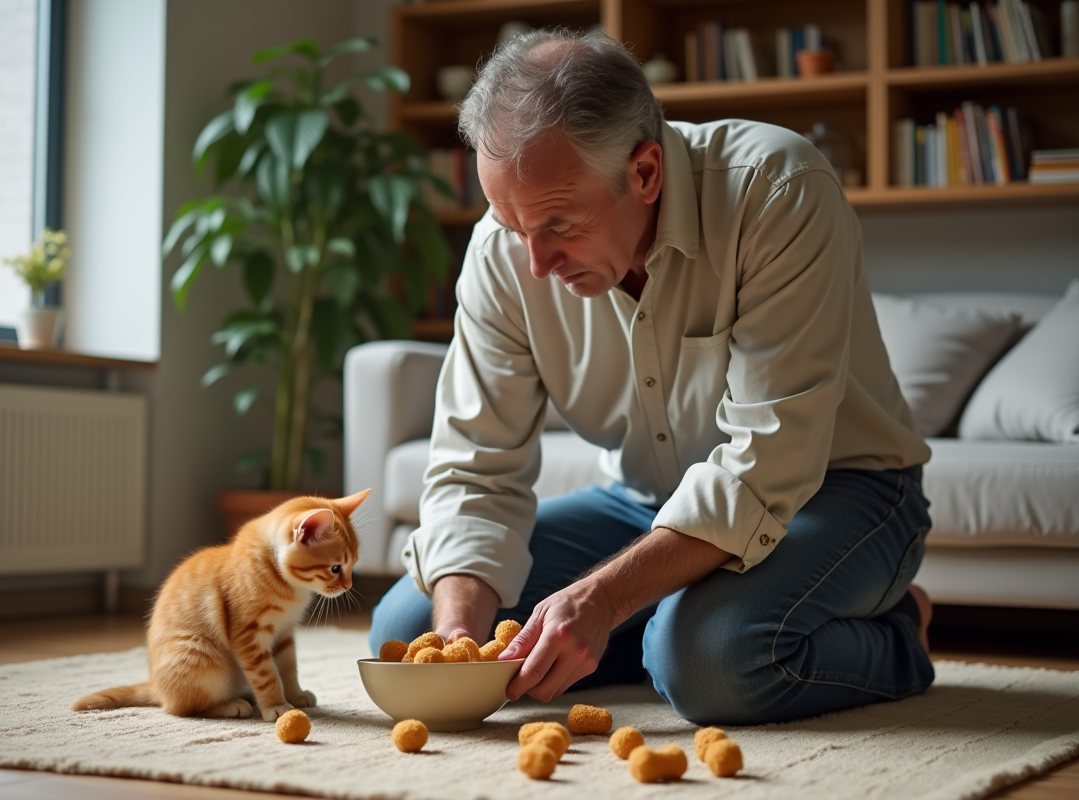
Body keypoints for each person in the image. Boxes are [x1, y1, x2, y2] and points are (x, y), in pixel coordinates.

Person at [368, 29, 936, 725]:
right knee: (408, 624)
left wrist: (604, 599)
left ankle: (897, 629)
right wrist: (457, 640)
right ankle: (670, 621)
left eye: (557, 224)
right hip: (644, 501)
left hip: (837, 491)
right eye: (512, 224)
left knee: (709, 664)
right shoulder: (505, 250)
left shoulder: (778, 191)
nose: (536, 264)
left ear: (644, 173)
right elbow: (473, 468)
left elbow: (767, 466)